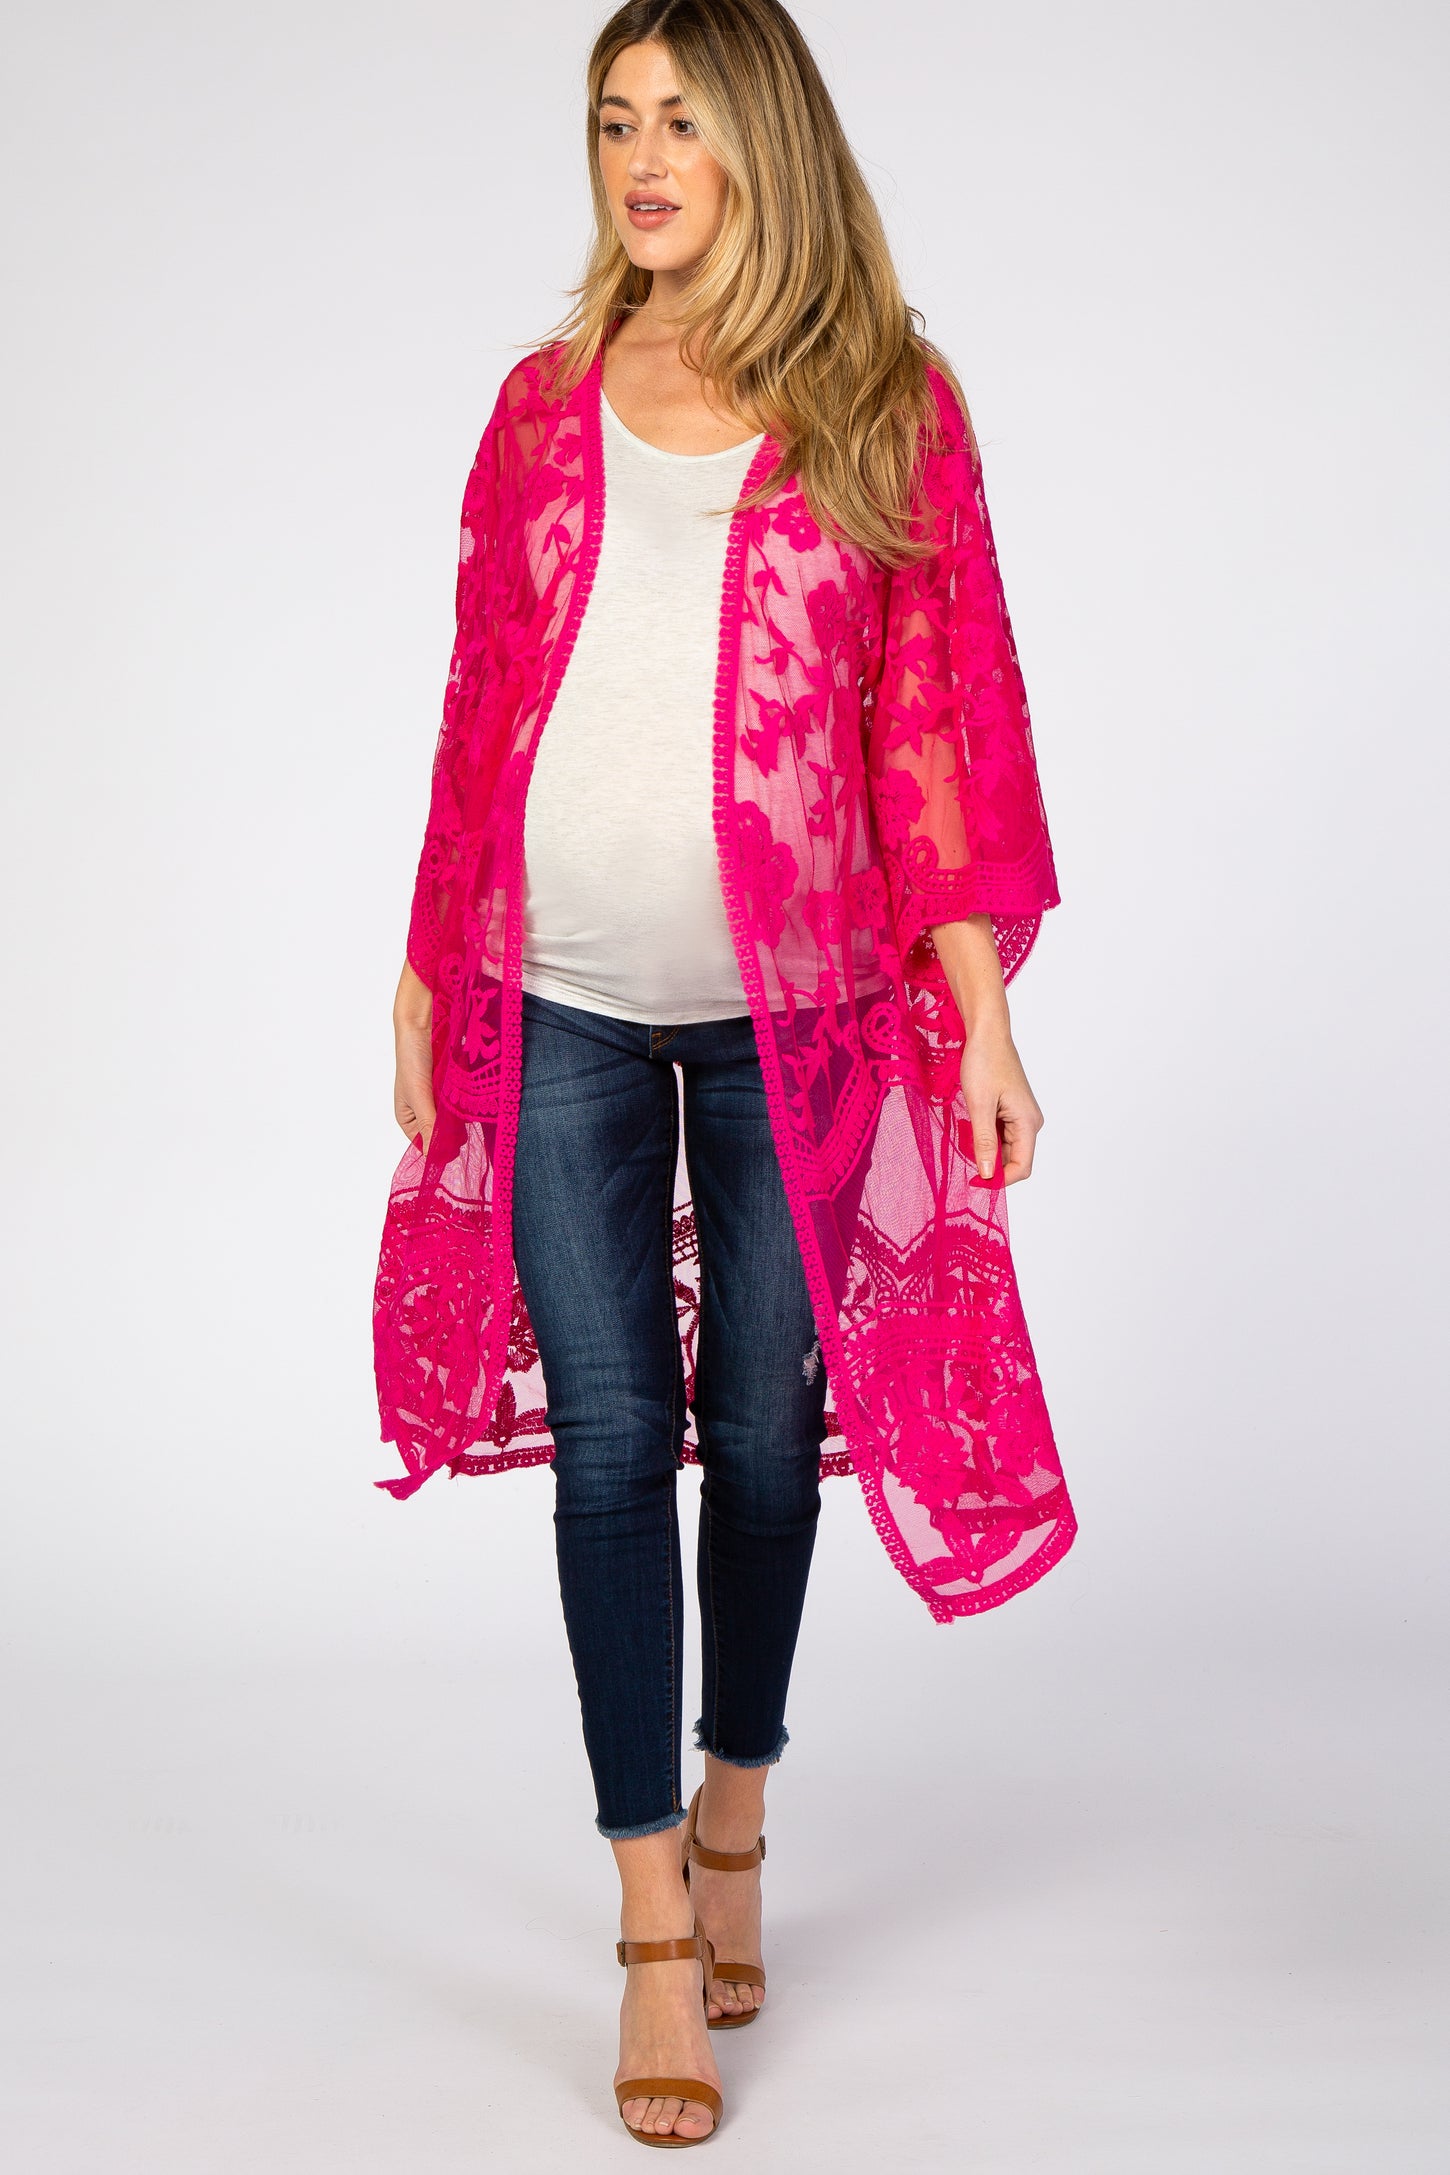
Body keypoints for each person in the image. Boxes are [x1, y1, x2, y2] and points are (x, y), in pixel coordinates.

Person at [376, 0, 1075, 2146]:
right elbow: (483, 690)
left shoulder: (882, 398)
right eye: (614, 122)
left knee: (765, 1442)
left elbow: (932, 717)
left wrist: (980, 1005)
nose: (643, 159)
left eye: (681, 119)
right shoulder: (541, 402)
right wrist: (421, 964)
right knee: (611, 1447)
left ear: (762, 139)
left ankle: (737, 1799)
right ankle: (652, 1921)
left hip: (809, 1008)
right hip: (552, 994)